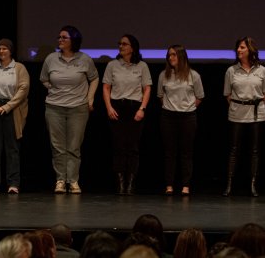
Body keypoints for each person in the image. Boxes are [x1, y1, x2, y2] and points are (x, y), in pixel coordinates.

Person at [40, 25, 99, 194]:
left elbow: (94, 78)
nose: (60, 40)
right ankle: (60, 180)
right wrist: (52, 88)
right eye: (59, 37)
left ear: (73, 40)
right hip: (54, 107)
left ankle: (73, 181)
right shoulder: (51, 58)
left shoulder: (84, 59)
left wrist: (90, 98)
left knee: (73, 146)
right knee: (58, 146)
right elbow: (43, 78)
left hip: (78, 108)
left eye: (64, 37)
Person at [222, 36, 265, 197]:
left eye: (242, 47)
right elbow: (227, 94)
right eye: (238, 47)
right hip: (237, 113)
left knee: (255, 150)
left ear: (250, 50)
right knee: (234, 150)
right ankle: (230, 184)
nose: (239, 50)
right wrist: (239, 105)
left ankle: (253, 184)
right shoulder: (231, 71)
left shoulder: (262, 70)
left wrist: (254, 104)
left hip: (257, 114)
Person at [102, 34, 152, 195]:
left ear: (133, 48)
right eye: (120, 44)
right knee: (118, 146)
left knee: (132, 147)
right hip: (117, 106)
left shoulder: (142, 66)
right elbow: (106, 87)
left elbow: (147, 88)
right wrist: (109, 107)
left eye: (124, 44)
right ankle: (120, 183)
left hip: (134, 108)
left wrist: (142, 109)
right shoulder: (112, 65)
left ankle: (130, 183)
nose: (121, 46)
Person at [0, 38, 30, 194]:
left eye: (4, 49)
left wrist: (7, 107)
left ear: (11, 50)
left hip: (12, 110)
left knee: (12, 148)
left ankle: (13, 183)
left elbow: (23, 89)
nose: (1, 51)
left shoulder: (19, 68)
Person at [157, 45, 204, 196]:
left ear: (182, 56)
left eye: (174, 55)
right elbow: (160, 95)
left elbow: (199, 97)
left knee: (186, 153)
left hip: (187, 117)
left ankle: (185, 185)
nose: (171, 58)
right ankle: (169, 185)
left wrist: (187, 107)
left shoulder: (193, 75)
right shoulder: (163, 75)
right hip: (168, 117)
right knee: (169, 153)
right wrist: (171, 107)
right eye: (169, 55)